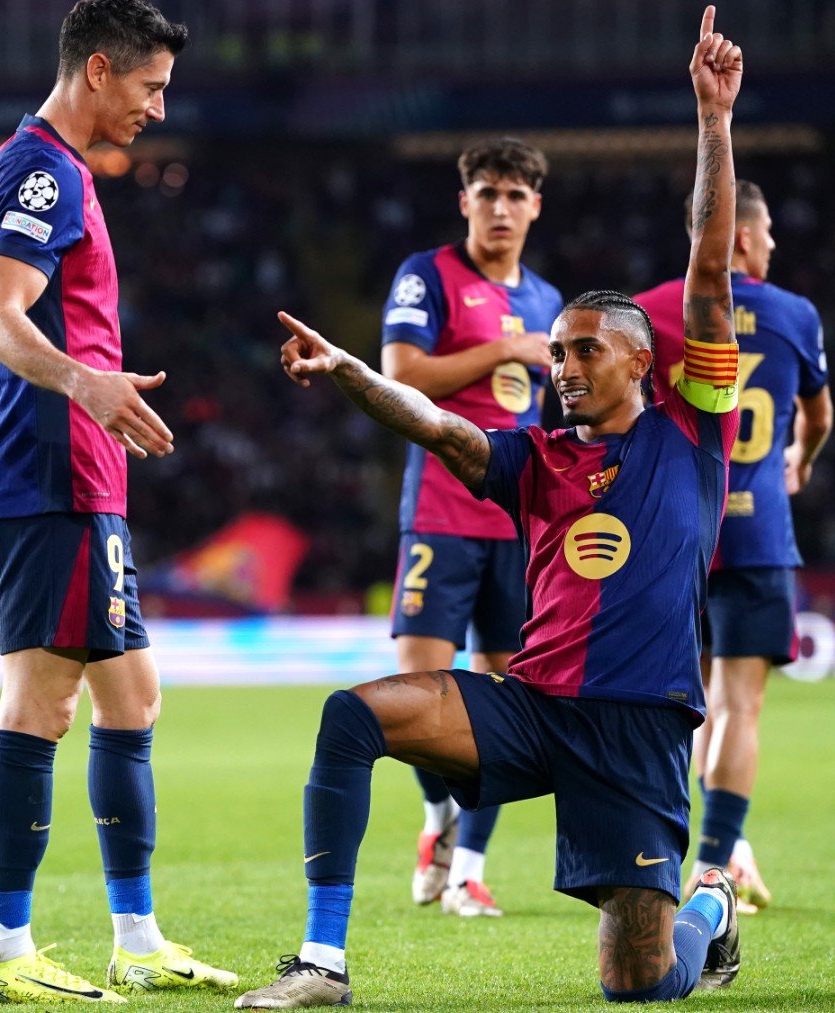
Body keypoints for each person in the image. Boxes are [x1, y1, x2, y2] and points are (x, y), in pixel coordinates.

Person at [237, 9, 746, 1007]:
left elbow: (710, 267)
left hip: (640, 729)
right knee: (354, 717)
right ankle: (323, 963)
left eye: (583, 350)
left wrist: (714, 121)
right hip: (533, 707)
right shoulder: (534, 456)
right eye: (555, 351)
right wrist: (347, 368)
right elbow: (435, 424)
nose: (561, 366)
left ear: (644, 359)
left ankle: (710, 904)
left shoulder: (694, 429)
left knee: (639, 984)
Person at [0, 0, 235, 1002]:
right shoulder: (39, 170)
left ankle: (135, 933)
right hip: (55, 470)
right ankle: (4, 944)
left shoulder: (57, 172)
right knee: (43, 701)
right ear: (101, 69)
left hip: (72, 478)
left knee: (133, 694)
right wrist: (88, 385)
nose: (159, 108)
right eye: (152, 86)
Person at [632, 179, 833, 913]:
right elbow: (820, 414)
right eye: (769, 229)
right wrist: (801, 458)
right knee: (738, 708)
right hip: (754, 531)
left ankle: (700, 849)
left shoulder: (648, 310)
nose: (774, 242)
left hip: (672, 536)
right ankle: (714, 865)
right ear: (742, 236)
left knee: (683, 706)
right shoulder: (793, 316)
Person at [380, 137, 562, 918]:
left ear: (535, 207)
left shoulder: (552, 302)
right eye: (487, 192)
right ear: (465, 202)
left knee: (508, 698)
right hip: (440, 513)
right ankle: (439, 818)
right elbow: (401, 376)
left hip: (518, 521)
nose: (500, 207)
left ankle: (469, 870)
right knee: (416, 696)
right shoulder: (428, 275)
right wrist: (504, 349)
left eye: (516, 195)